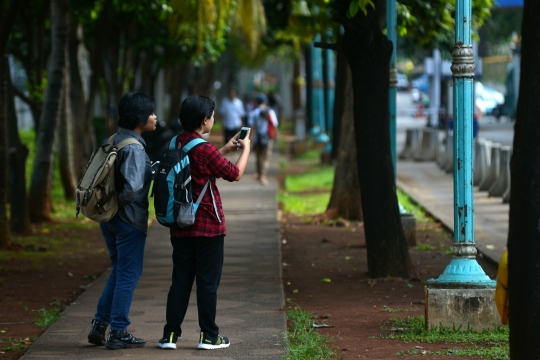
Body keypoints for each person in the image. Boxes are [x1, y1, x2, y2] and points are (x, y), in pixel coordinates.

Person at [159, 94, 251, 350]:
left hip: (179, 225)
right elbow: (234, 173)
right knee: (207, 283)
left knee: (180, 281)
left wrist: (225, 149)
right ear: (205, 120)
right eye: (211, 115)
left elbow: (196, 166)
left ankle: (169, 336)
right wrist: (246, 150)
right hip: (208, 227)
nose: (213, 119)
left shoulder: (174, 143)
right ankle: (209, 336)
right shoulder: (205, 149)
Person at [87, 92, 157, 350]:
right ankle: (119, 331)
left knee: (118, 271)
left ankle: (99, 326)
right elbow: (133, 189)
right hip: (129, 221)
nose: (155, 117)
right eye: (151, 113)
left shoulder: (115, 139)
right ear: (140, 118)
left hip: (108, 218)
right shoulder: (135, 148)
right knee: (129, 273)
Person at [248, 93, 278, 186]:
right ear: (265, 102)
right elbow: (274, 125)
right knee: (266, 157)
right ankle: (263, 176)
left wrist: (251, 139)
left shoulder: (254, 113)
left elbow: (252, 128)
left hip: (257, 138)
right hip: (267, 137)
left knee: (258, 156)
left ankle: (258, 173)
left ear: (256, 102)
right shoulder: (270, 112)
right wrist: (276, 136)